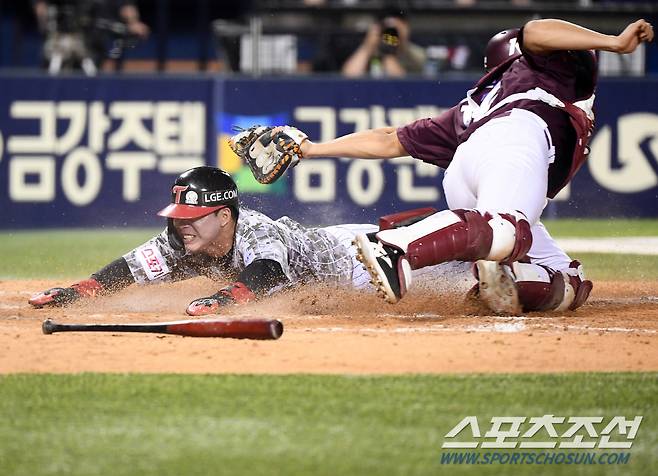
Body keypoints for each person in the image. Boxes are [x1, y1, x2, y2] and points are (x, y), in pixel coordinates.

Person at [232, 18, 654, 315]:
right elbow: (536, 30)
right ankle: (396, 248)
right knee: (508, 227)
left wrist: (313, 149)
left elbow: (389, 139)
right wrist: (613, 42)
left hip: (469, 167)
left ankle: (496, 282)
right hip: (516, 141)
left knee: (567, 278)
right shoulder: (546, 70)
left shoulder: (471, 108)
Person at [29, 166, 431, 316]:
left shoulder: (256, 229)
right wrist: (77, 291)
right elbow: (131, 267)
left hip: (359, 258)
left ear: (224, 216)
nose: (182, 225)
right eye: (179, 217)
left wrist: (225, 299)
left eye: (193, 217)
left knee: (462, 264)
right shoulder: (185, 239)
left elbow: (267, 272)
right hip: (333, 266)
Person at [342, 11, 426, 77]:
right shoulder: (370, 49)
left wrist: (392, 48)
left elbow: (401, 85)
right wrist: (367, 46)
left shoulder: (414, 53)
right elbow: (349, 77)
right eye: (386, 30)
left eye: (393, 30)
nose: (389, 34)